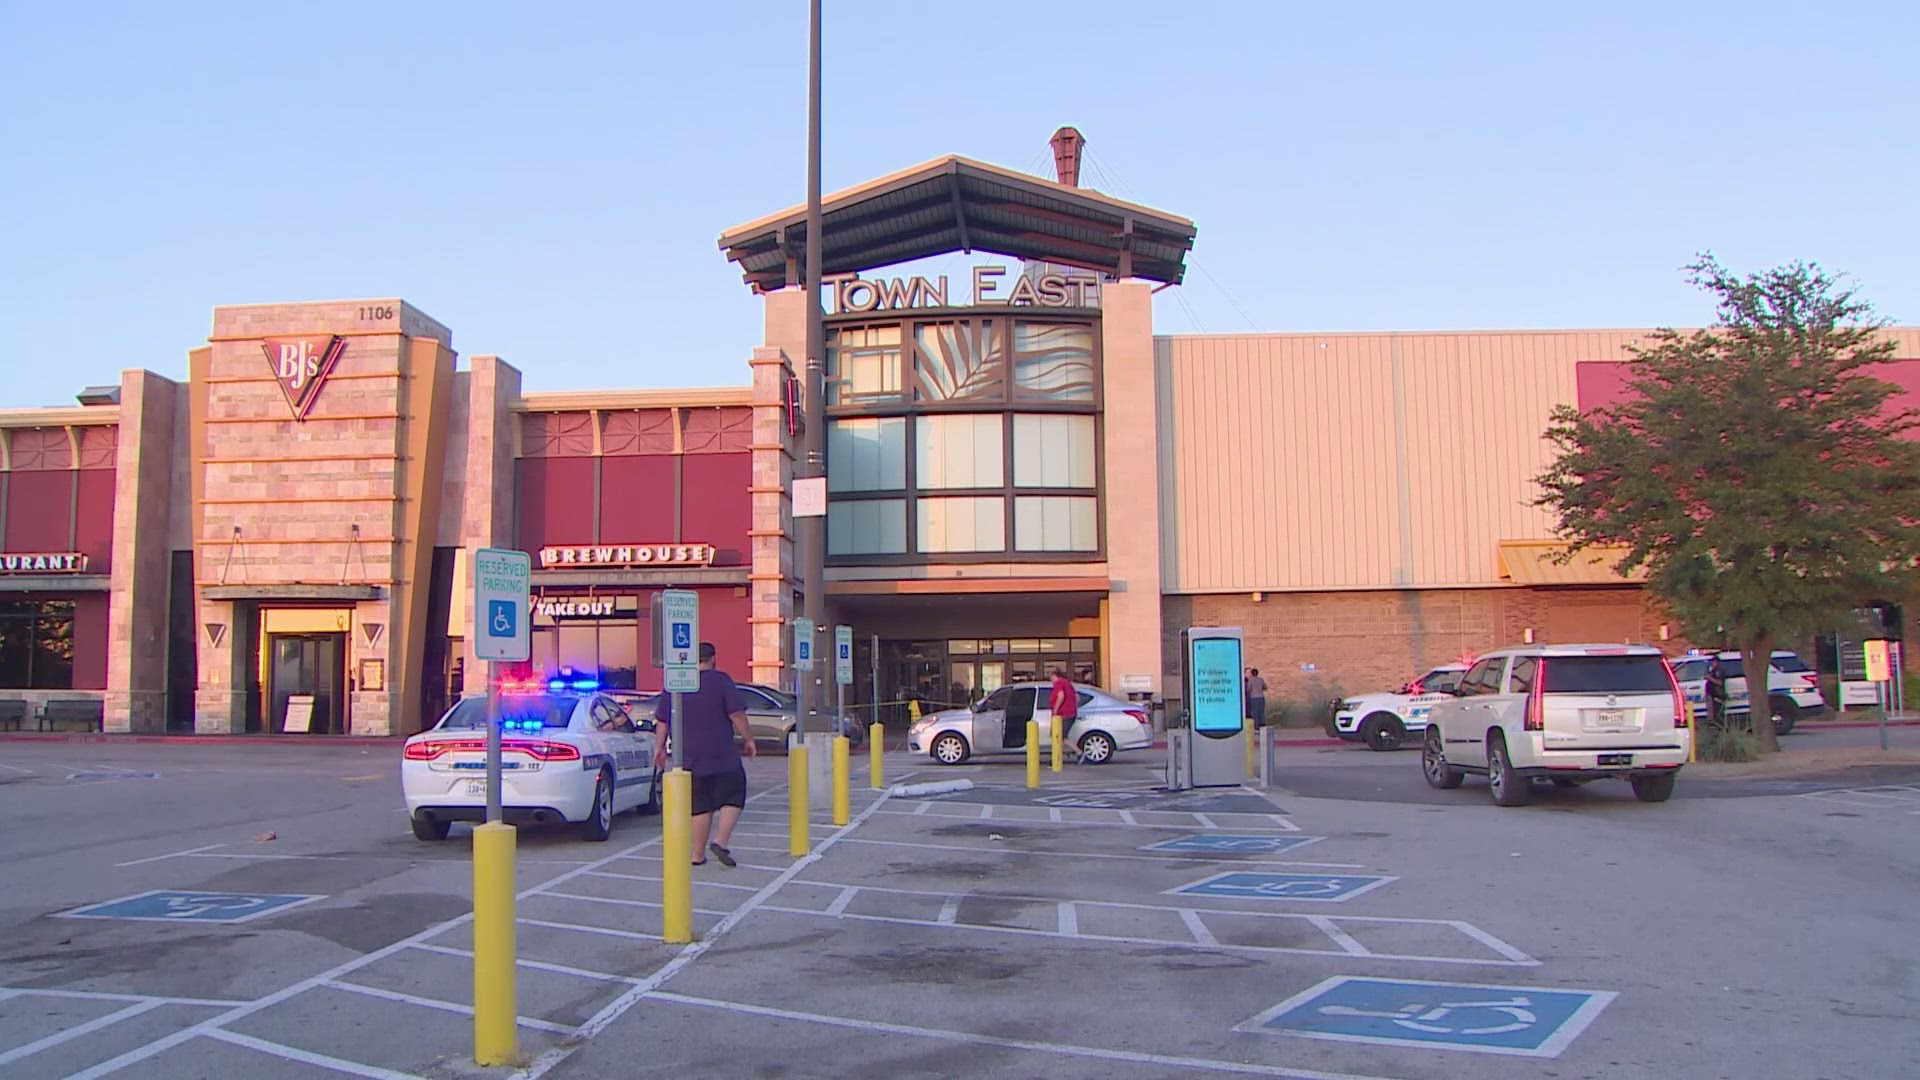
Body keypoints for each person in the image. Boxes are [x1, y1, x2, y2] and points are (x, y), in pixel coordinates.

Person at [653, 642, 756, 868]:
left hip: (688, 755)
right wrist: (748, 739)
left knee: (700, 804)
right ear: (713, 658)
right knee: (734, 794)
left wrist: (659, 749)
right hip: (722, 753)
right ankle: (720, 841)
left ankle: (697, 854)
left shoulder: (676, 683)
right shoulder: (721, 681)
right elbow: (737, 713)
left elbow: (662, 721)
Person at [1049, 667, 1078, 737]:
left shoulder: (1058, 683)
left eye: (1050, 677)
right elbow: (1077, 696)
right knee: (1060, 737)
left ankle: (1075, 748)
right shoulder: (1067, 682)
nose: (1050, 679)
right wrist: (1073, 706)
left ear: (1053, 675)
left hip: (1063, 714)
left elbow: (1061, 695)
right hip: (1071, 713)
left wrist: (1055, 709)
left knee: (1059, 736)